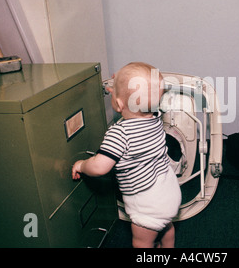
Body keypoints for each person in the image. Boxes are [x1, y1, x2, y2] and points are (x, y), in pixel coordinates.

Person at [72, 62, 182, 248]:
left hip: (148, 204)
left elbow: (100, 167)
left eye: (113, 94)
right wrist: (120, 85)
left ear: (119, 104)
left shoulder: (120, 133)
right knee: (166, 228)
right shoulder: (155, 118)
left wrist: (82, 165)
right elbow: (145, 91)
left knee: (142, 241)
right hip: (169, 193)